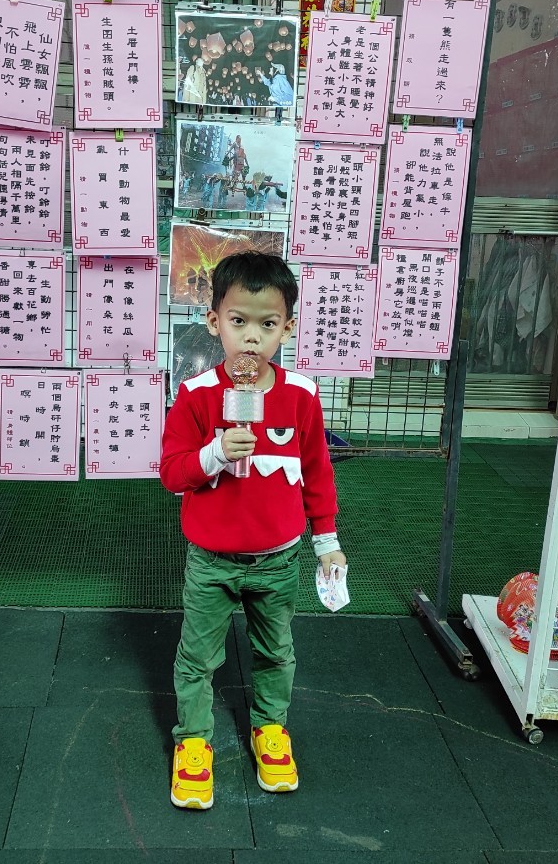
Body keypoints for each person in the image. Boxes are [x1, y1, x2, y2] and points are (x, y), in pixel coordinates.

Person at [160, 251, 345, 811]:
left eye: (268, 324)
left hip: (278, 558)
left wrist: (327, 541)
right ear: (213, 321)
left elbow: (317, 471)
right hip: (211, 560)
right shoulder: (196, 395)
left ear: (287, 328)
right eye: (238, 321)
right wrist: (215, 452)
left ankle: (270, 728)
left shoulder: (301, 395)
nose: (251, 338)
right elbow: (172, 473)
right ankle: (194, 740)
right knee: (198, 657)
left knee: (276, 652)